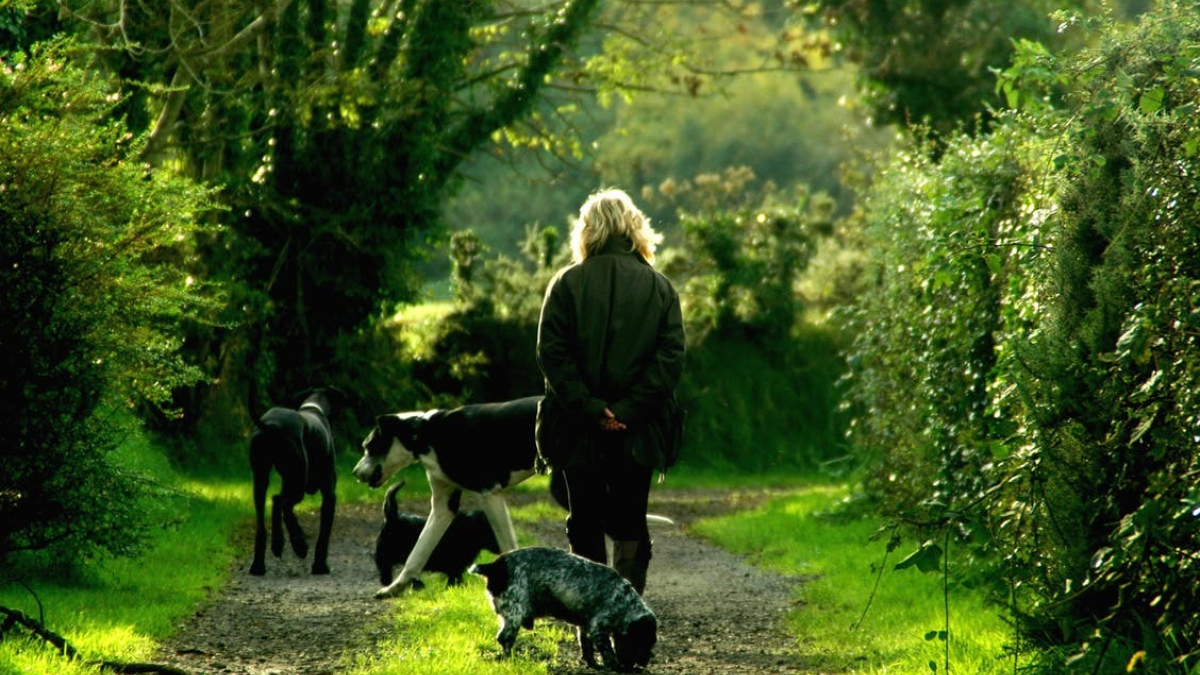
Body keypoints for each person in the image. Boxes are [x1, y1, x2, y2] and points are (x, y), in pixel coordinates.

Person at [535, 188, 685, 595]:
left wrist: (593, 408)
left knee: (583, 520)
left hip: (575, 428)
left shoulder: (564, 284)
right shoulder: (660, 288)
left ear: (586, 231)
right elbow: (670, 359)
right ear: (635, 228)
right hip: (639, 431)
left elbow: (551, 354)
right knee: (631, 521)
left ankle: (590, 622)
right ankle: (628, 621)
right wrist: (627, 410)